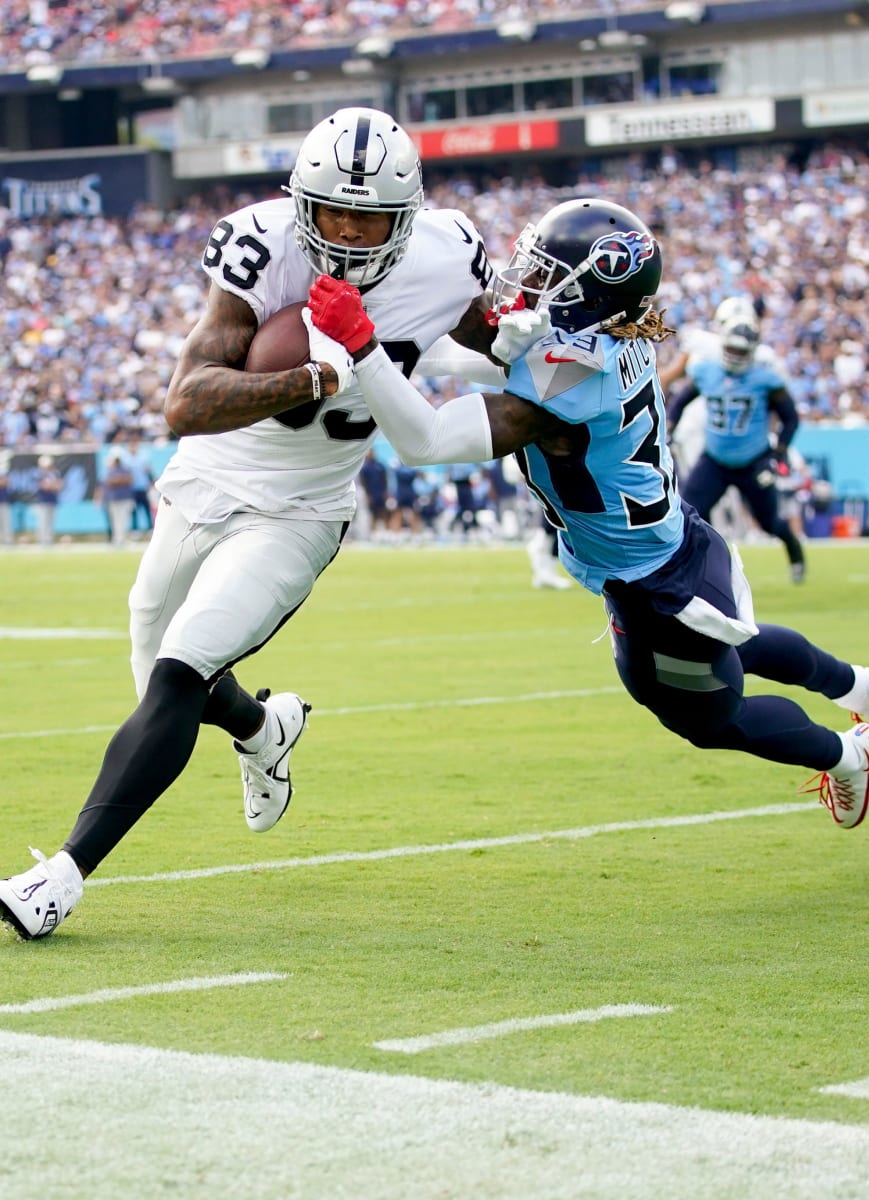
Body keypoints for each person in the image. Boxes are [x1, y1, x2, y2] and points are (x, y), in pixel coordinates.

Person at [0, 106, 536, 940]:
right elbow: (185, 401)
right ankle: (264, 725)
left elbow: (493, 337)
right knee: (162, 677)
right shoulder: (258, 244)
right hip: (205, 481)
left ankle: (62, 875)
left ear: (411, 215)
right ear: (300, 203)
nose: (351, 233)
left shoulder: (449, 252)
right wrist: (315, 379)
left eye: (372, 216)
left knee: (180, 670)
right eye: (332, 211)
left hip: (301, 510)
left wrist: (538, 343)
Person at [302, 197, 869, 838]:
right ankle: (861, 685)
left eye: (546, 273)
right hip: (664, 540)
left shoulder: (570, 378)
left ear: (590, 293)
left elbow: (422, 442)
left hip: (652, 583)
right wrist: (398, 337)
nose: (527, 280)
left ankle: (850, 755)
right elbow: (481, 358)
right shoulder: (609, 334)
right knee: (730, 649)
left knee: (707, 717)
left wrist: (366, 347)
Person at [665, 307, 807, 583]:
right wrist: (669, 428)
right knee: (689, 513)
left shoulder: (765, 378)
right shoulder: (706, 371)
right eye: (732, 349)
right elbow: (680, 402)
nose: (736, 356)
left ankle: (796, 554)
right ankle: (702, 567)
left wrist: (779, 453)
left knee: (769, 522)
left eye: (743, 351)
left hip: (753, 459)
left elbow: (791, 418)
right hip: (715, 459)